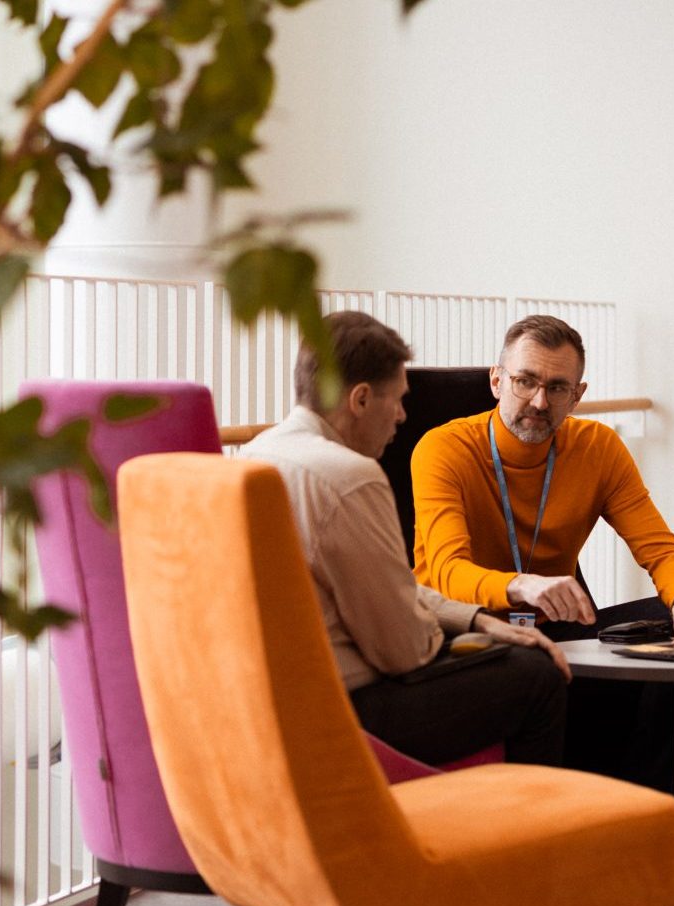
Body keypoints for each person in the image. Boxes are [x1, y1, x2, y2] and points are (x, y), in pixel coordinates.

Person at [411, 313, 674, 876]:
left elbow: (659, 546)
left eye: (557, 388)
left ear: (578, 394)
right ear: (496, 381)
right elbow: (444, 573)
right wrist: (520, 585)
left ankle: (642, 820)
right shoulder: (444, 449)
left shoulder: (596, 448)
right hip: (468, 626)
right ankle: (581, 818)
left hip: (553, 622)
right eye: (525, 381)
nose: (538, 401)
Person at [241, 311, 573, 768]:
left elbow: (381, 584)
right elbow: (405, 653)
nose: (401, 416)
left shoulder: (256, 453)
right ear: (360, 399)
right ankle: (535, 831)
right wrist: (456, 637)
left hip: (267, 707)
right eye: (397, 401)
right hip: (345, 715)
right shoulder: (350, 477)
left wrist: (476, 620)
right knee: (537, 677)